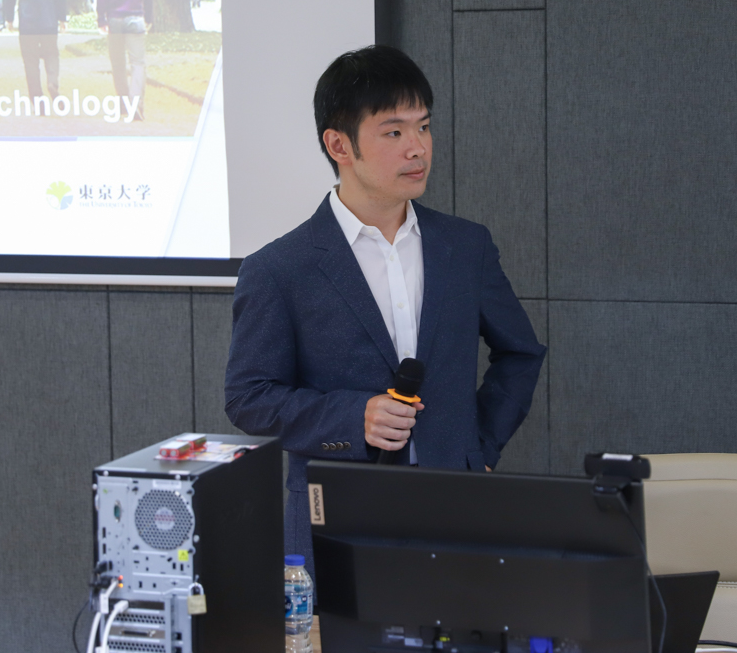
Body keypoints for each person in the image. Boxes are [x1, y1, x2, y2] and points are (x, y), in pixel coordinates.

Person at [224, 45, 546, 574]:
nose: (418, 148)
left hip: (456, 508)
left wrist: (480, 448)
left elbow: (520, 352)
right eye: (394, 132)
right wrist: (355, 416)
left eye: (424, 127)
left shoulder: (465, 246)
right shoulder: (279, 269)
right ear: (339, 145)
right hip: (337, 517)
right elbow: (249, 397)